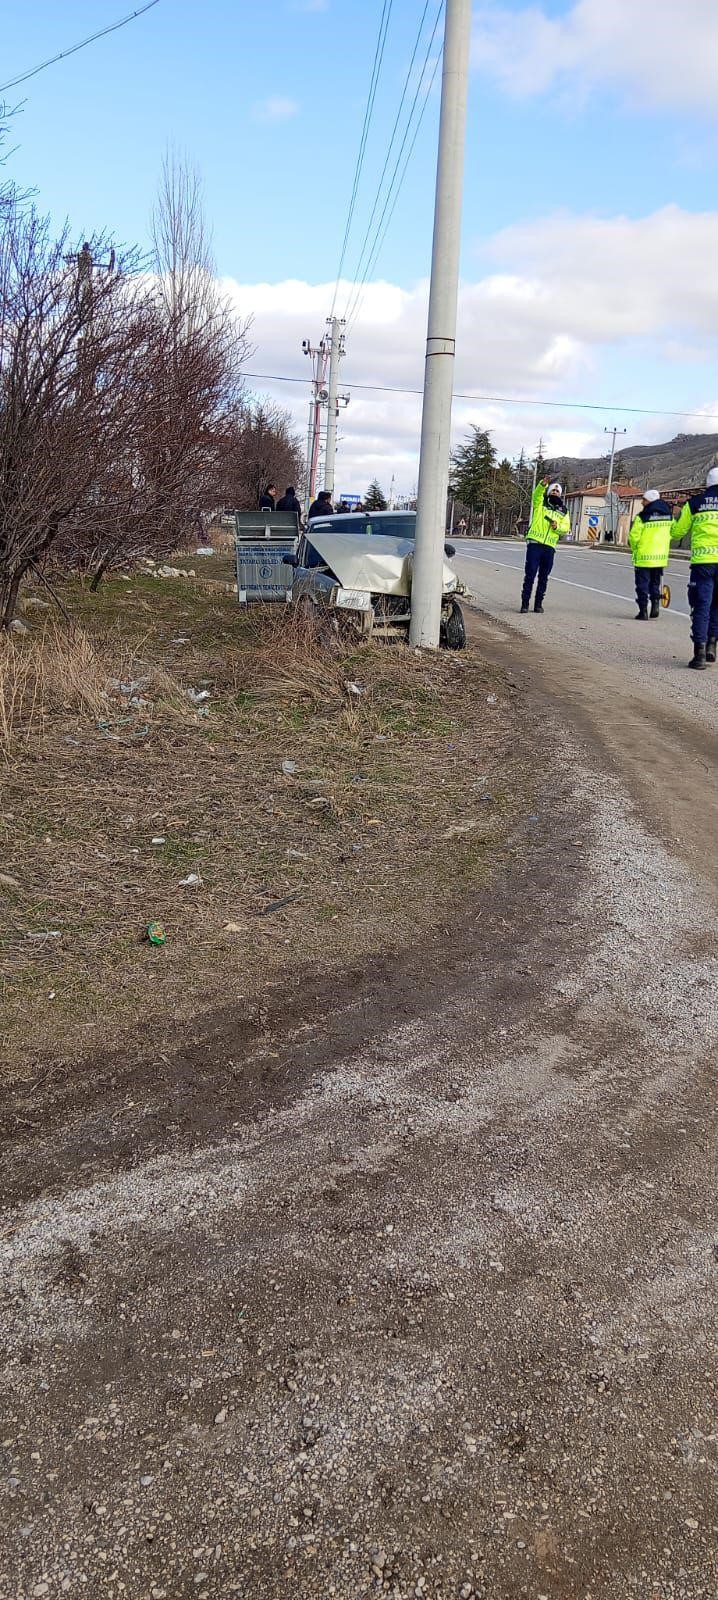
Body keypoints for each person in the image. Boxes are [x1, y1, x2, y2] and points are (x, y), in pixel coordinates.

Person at [671, 467, 718, 669]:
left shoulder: (695, 503)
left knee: (701, 606)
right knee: (717, 605)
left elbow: (677, 532)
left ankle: (698, 655)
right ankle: (712, 645)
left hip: (703, 563)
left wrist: (676, 517)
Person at [520, 478, 570, 614]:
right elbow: (536, 495)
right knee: (530, 575)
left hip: (549, 547)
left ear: (560, 494)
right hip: (535, 544)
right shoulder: (541, 504)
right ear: (549, 491)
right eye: (552, 490)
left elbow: (566, 527)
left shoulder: (564, 511)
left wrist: (557, 526)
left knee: (543, 577)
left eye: (557, 491)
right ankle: (525, 604)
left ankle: (538, 605)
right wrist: (542, 485)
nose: (555, 492)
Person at [627, 489, 673, 621]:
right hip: (660, 557)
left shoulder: (643, 517)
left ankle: (643, 611)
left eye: (644, 500)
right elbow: (674, 531)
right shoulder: (668, 515)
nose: (642, 502)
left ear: (649, 501)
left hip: (644, 556)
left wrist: (635, 549)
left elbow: (634, 536)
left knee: (642, 585)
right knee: (655, 582)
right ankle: (655, 606)